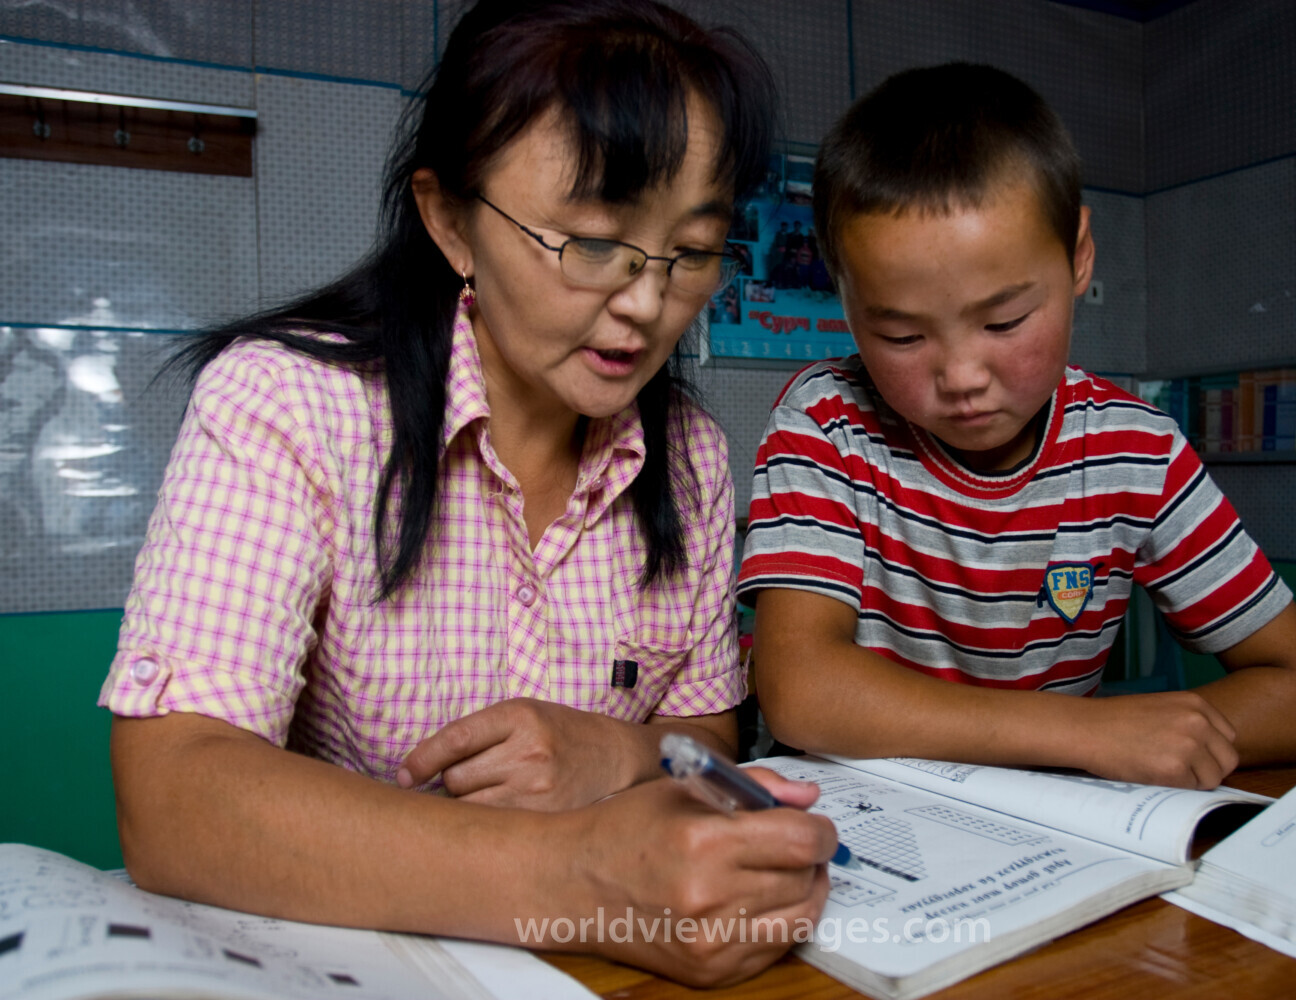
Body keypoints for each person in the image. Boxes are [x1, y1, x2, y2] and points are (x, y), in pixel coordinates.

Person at [99, 1, 835, 986]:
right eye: (588, 241)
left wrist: (619, 758)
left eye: (693, 250)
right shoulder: (288, 403)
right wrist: (574, 879)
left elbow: (705, 735)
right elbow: (176, 796)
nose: (648, 302)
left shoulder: (691, 455)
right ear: (450, 221)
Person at [738, 63, 1296, 791]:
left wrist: (1140, 736)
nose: (962, 375)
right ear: (846, 301)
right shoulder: (825, 424)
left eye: (1004, 321)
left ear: (1079, 255)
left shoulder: (1138, 451)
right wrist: (1081, 733)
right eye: (902, 337)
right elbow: (802, 692)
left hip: (1053, 833)